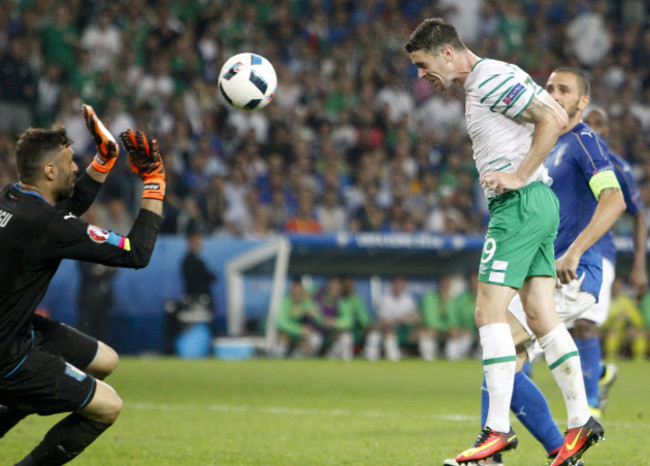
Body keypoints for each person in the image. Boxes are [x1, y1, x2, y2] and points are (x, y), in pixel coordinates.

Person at [405, 19, 598, 465]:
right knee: (540, 313)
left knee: (487, 311)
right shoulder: (488, 80)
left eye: (422, 64)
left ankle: (496, 431)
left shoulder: (487, 77)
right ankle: (580, 419)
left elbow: (552, 117)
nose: (421, 75)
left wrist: (518, 175)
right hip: (537, 203)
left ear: (447, 53)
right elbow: (547, 113)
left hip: (521, 204)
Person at [0, 104, 165, 465]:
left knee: (106, 360)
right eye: (71, 162)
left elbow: (63, 208)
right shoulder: (48, 226)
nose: (77, 167)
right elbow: (136, 253)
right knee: (108, 406)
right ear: (48, 170)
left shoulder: (12, 196)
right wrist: (154, 180)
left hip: (18, 328)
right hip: (6, 355)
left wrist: (104, 160)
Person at [583, 105, 647, 412]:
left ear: (607, 131)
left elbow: (638, 216)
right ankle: (601, 374)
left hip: (599, 253)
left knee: (586, 323)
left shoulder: (617, 167)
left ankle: (591, 407)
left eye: (599, 123)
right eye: (587, 122)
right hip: (561, 252)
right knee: (558, 331)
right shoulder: (565, 157)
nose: (593, 127)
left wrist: (638, 267)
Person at [364, 276, 420, 361]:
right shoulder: (385, 299)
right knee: (377, 334)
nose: (399, 288)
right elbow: (381, 319)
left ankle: (394, 357)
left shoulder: (408, 300)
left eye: (401, 286)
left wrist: (404, 321)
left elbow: (416, 317)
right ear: (392, 286)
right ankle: (373, 357)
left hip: (404, 328)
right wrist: (393, 323)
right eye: (397, 285)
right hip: (386, 328)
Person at [274, 279, 324, 358]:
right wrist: (300, 330)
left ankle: (300, 357)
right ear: (291, 292)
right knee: (283, 338)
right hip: (282, 332)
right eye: (295, 292)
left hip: (297, 335)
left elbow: (321, 320)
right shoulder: (285, 302)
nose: (297, 294)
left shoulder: (306, 302)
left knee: (315, 338)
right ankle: (276, 359)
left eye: (300, 291)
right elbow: (281, 323)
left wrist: (315, 315)